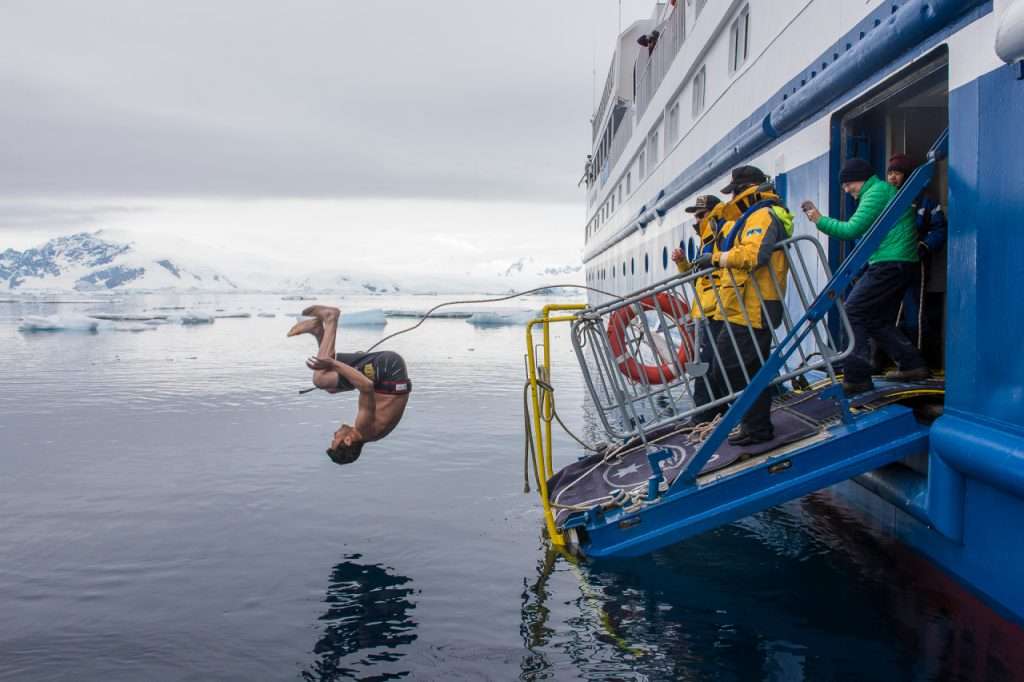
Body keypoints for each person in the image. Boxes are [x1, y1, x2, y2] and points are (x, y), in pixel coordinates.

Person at [801, 157, 928, 395]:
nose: (847, 190)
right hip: (899, 262)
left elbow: (851, 230)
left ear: (861, 178)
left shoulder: (876, 193)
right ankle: (912, 365)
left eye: (849, 184)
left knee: (853, 311)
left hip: (890, 262)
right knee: (875, 320)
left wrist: (818, 219)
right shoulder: (879, 191)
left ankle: (857, 377)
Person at [704, 166, 793, 445]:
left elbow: (755, 254)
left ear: (751, 188)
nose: (733, 198)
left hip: (756, 306)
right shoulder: (750, 216)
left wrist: (717, 258)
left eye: (737, 191)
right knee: (745, 368)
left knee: (731, 368)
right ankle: (754, 425)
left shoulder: (763, 215)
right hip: (741, 305)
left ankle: (755, 426)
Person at [288, 305, 411, 465]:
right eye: (335, 439)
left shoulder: (370, 435)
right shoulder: (364, 428)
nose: (334, 434)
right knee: (320, 379)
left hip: (386, 375)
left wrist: (335, 366)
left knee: (330, 387)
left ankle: (318, 331)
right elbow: (366, 387)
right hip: (388, 368)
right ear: (347, 440)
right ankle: (331, 318)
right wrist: (334, 363)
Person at [886, 153, 947, 350]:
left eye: (898, 173)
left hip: (915, 263)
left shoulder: (925, 201)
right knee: (887, 310)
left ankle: (917, 358)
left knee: (914, 311)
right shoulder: (882, 200)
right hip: (887, 263)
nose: (893, 177)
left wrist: (924, 246)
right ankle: (888, 357)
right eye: (890, 173)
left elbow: (939, 228)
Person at [671, 194, 723, 410]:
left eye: (701, 215)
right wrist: (682, 263)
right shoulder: (706, 242)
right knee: (709, 364)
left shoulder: (720, 236)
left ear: (713, 213)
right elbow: (697, 275)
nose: (696, 220)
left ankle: (705, 415)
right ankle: (706, 412)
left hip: (719, 311)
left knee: (710, 364)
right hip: (706, 312)